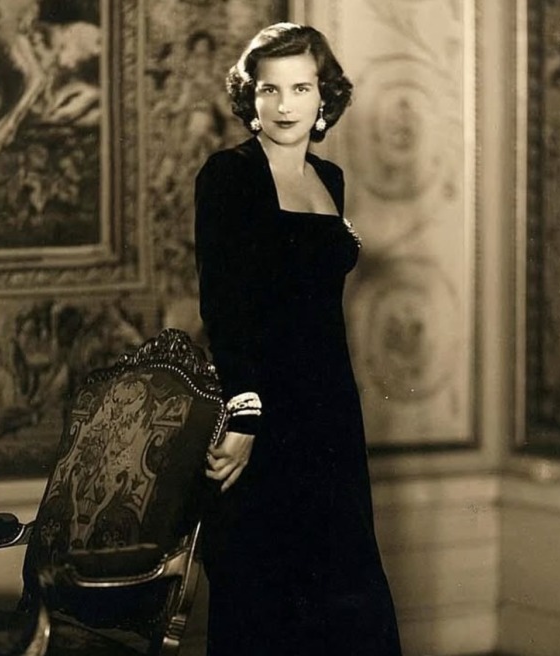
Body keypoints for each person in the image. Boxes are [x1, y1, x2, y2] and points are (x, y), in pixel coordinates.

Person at [194, 22, 403, 656]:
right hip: (266, 413)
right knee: (267, 595)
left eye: (301, 88)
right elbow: (224, 305)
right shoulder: (228, 176)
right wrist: (245, 415)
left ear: (323, 97)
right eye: (269, 89)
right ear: (250, 97)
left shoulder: (330, 178)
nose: (285, 105)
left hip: (330, 410)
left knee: (343, 589)